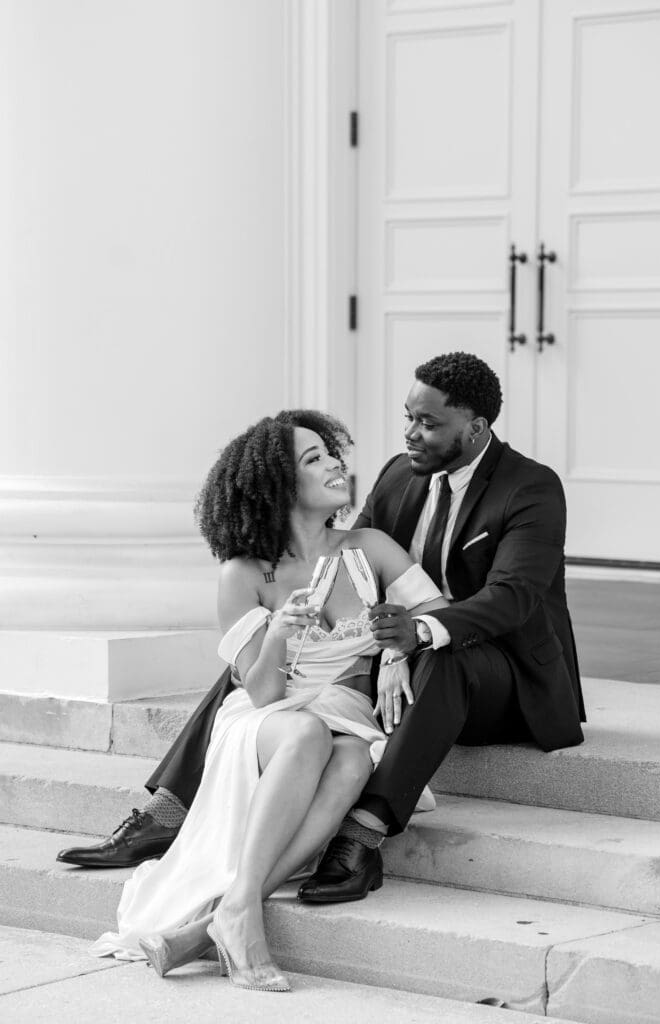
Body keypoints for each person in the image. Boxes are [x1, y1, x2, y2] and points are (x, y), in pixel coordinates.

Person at [60, 352, 585, 904]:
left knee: (435, 651)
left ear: (476, 429)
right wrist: (313, 622)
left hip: (501, 673)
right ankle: (166, 810)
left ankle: (363, 835)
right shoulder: (400, 474)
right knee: (257, 652)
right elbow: (349, 563)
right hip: (406, 655)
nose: (410, 432)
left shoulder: (531, 487)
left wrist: (412, 638)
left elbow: (513, 597)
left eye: (428, 424)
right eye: (407, 415)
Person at [88, 409, 447, 990]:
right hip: (269, 722)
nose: (335, 463)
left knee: (354, 758)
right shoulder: (243, 573)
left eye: (331, 453)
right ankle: (236, 916)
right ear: (279, 486)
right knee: (307, 734)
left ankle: (227, 913)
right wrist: (279, 631)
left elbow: (436, 616)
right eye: (314, 459)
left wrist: (398, 649)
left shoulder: (372, 548)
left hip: (348, 720)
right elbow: (263, 692)